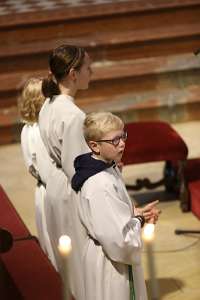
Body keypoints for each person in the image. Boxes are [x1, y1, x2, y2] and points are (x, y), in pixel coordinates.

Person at [71, 112, 160, 300]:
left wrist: (134, 212)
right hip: (110, 263)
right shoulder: (100, 185)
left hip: (106, 254)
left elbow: (108, 216)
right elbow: (119, 242)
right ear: (94, 146)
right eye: (115, 140)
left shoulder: (106, 167)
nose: (122, 143)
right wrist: (139, 220)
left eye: (123, 136)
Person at [39, 44, 92, 299]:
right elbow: (77, 169)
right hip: (70, 193)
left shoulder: (48, 104)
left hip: (54, 187)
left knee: (67, 266)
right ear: (73, 73)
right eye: (88, 69)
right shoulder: (73, 115)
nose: (91, 73)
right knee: (80, 266)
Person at [18, 77, 56, 268]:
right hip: (53, 191)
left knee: (51, 241)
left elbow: (31, 167)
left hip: (43, 190)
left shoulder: (26, 130)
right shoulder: (41, 130)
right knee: (58, 242)